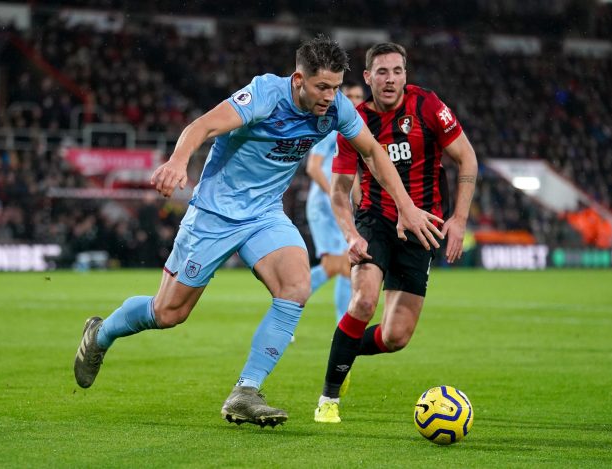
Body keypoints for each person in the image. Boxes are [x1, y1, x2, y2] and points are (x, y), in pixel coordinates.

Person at [73, 36, 444, 428]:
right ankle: (101, 333)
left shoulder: (335, 108)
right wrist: (179, 162)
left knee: (296, 286)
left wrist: (406, 207)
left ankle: (246, 389)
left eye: (336, 87)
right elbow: (202, 126)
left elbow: (373, 152)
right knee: (168, 313)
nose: (330, 97)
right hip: (214, 214)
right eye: (322, 87)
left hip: (264, 215)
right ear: (299, 79)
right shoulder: (265, 95)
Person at [314, 42, 478, 423]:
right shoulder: (353, 123)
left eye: (398, 71)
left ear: (406, 74)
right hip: (375, 221)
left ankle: (345, 346)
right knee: (364, 300)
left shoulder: (427, 106)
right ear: (368, 77)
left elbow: (466, 156)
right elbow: (339, 194)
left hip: (424, 227)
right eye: (382, 72)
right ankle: (328, 399)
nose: (390, 80)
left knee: (395, 337)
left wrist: (459, 219)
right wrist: (351, 235)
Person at [306, 81, 365, 324]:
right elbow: (313, 167)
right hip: (324, 206)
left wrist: (360, 204)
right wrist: (335, 194)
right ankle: (287, 299)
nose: (354, 100)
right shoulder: (330, 127)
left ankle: (342, 322)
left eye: (359, 96)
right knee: (335, 266)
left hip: (340, 208)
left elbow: (351, 174)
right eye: (349, 95)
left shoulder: (352, 130)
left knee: (347, 263)